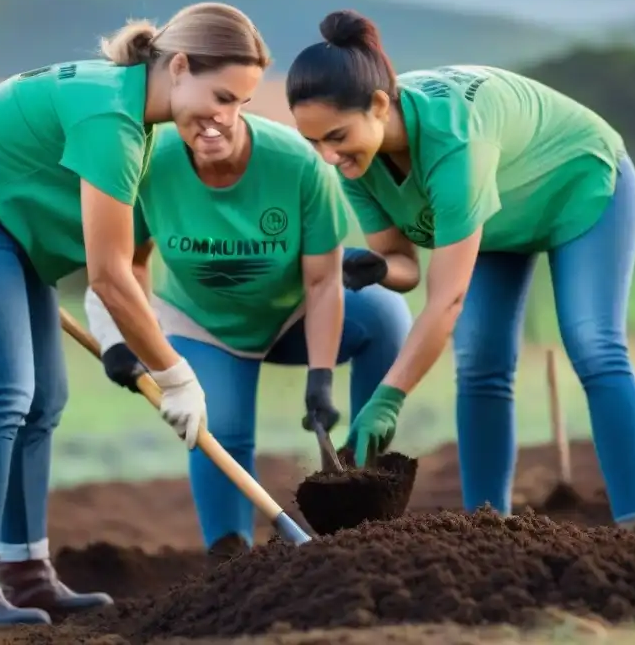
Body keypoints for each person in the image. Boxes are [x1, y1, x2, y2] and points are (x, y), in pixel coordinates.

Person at [0, 2, 271, 628]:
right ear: (179, 66)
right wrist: (176, 375)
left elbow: (113, 265)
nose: (225, 118)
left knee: (43, 399)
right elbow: (110, 276)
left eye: (241, 105)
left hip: (5, 231)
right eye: (222, 95)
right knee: (0, 394)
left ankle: (25, 572)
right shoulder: (113, 118)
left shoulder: (136, 116)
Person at [285, 10, 635, 535]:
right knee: (481, 359)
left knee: (593, 343)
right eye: (314, 142)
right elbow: (406, 268)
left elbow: (446, 301)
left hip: (579, 185)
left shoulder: (453, 142)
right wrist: (374, 268)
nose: (327, 156)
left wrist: (388, 397)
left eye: (336, 136)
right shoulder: (356, 162)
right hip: (494, 219)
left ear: (378, 105)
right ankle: (488, 527)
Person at [82, 113, 412, 558]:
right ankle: (229, 558)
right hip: (203, 325)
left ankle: (358, 485)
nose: (209, 123)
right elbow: (128, 264)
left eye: (225, 98)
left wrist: (321, 378)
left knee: (387, 316)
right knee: (221, 429)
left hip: (293, 309)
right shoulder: (148, 164)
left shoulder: (294, 162)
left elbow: (322, 280)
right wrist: (127, 339)